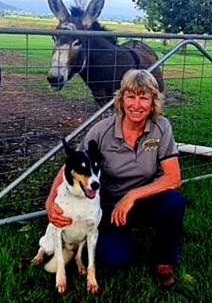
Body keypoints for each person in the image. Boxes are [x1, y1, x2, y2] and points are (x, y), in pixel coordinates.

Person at [45, 69, 186, 288]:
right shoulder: (102, 130)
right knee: (114, 258)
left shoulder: (162, 127)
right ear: (121, 99)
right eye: (131, 96)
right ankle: (121, 236)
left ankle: (164, 261)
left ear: (153, 102)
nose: (136, 105)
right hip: (108, 207)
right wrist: (50, 203)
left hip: (143, 199)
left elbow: (173, 178)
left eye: (143, 97)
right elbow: (69, 165)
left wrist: (132, 195)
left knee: (174, 201)